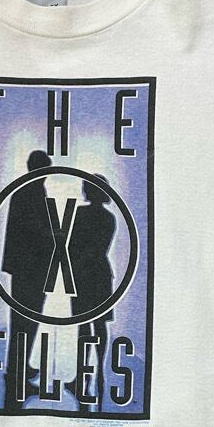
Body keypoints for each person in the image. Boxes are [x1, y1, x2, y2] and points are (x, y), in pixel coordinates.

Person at [0, 150, 53, 410]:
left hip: (24, 268)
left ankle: (19, 367)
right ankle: (16, 374)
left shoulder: (25, 189)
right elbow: (35, 231)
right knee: (26, 322)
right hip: (31, 269)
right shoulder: (31, 192)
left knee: (24, 322)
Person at [66, 174, 117, 409]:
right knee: (100, 325)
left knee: (84, 326)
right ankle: (98, 372)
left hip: (83, 275)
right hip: (100, 274)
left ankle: (82, 375)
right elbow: (98, 248)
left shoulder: (80, 214)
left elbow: (72, 245)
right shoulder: (109, 218)